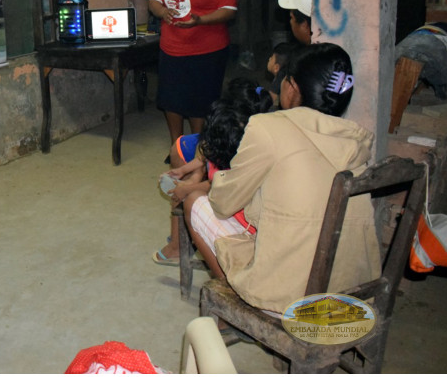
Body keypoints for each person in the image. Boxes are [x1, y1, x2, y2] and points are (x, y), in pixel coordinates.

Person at [184, 43, 380, 316]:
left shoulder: (269, 128)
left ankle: (237, 311)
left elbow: (222, 203)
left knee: (195, 201)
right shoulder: (355, 138)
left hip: (290, 301)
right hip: (351, 299)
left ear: (291, 88)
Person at [153, 81, 272, 266]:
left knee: (191, 200)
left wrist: (189, 188)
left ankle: (222, 276)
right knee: (181, 149)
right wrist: (186, 170)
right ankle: (180, 242)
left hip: (242, 217)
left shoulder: (243, 150)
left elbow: (223, 186)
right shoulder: (235, 134)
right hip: (229, 192)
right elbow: (206, 150)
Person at [149, 0, 237, 155]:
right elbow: (154, 0)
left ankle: (197, 147)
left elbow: (229, 10)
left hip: (206, 51)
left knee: (200, 101)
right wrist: (162, 12)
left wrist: (201, 20)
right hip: (172, 48)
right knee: (171, 99)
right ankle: (177, 147)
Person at [266, 42, 299, 107]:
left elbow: (271, 100)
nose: (269, 58)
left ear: (276, 68)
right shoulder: (292, 73)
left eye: (272, 57)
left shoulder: (280, 78)